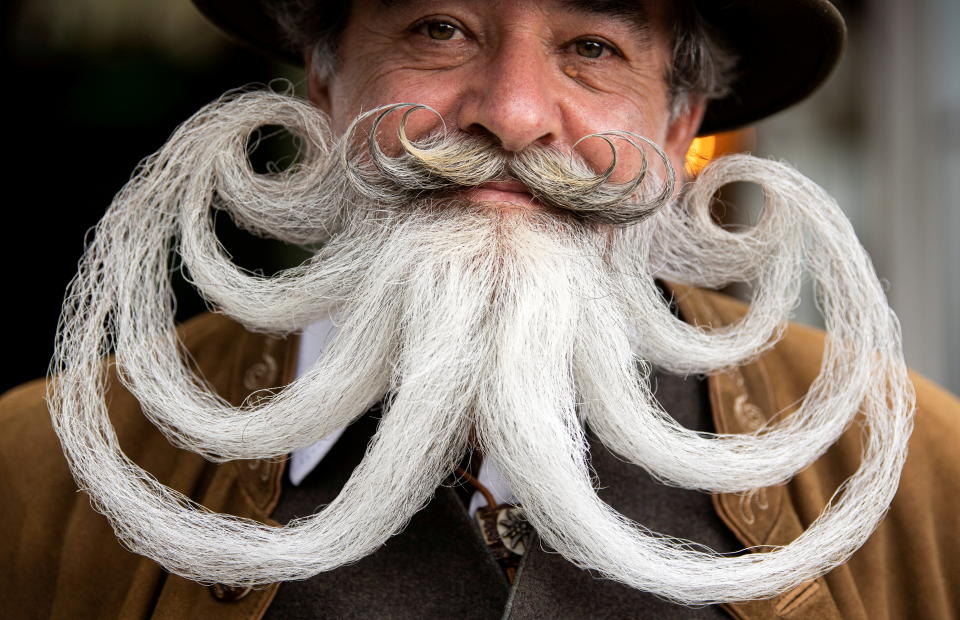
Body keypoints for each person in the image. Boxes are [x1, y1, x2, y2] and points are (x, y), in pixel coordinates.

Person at [1, 0, 958, 618]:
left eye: (591, 49)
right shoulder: (34, 473)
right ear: (327, 82)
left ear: (677, 124)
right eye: (440, 29)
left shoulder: (924, 477)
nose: (511, 112)